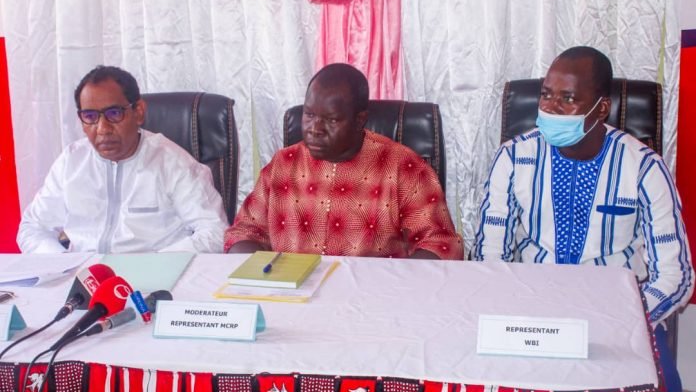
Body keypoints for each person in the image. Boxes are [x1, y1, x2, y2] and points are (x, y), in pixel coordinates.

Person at [473, 46, 694, 392]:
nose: (551, 108)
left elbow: (676, 276)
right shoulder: (513, 157)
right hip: (531, 306)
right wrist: (513, 307)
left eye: (568, 99)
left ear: (601, 108)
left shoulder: (643, 167)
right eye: (546, 95)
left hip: (620, 314)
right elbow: (489, 254)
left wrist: (626, 319)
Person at [225, 63, 463, 259]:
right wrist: (264, 273)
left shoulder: (404, 167)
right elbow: (244, 232)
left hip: (373, 297)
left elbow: (440, 245)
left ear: (360, 120)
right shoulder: (283, 165)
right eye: (309, 115)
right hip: (293, 296)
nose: (315, 129)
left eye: (331, 120)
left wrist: (393, 286)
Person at [17, 65, 228, 253]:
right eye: (90, 116)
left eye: (114, 113)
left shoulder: (173, 163)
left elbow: (215, 232)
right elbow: (32, 228)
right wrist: (63, 265)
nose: (102, 128)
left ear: (138, 112)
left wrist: (157, 264)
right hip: (84, 276)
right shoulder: (71, 161)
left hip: (153, 276)